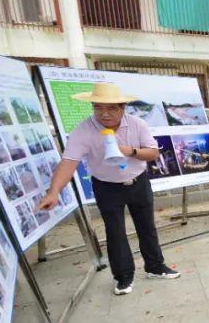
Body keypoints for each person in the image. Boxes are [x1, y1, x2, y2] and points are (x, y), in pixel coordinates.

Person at [37, 82, 179, 295]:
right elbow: (69, 161)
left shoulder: (137, 124)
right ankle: (123, 277)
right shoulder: (83, 130)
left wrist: (129, 151)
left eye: (111, 108)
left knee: (147, 226)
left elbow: (152, 153)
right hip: (106, 186)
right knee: (115, 232)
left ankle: (155, 266)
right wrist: (54, 191)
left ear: (122, 108)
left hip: (138, 181)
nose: (104, 114)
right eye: (98, 107)